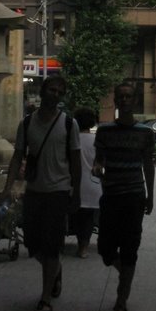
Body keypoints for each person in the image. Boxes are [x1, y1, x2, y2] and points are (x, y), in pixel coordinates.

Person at [1, 75, 81, 311]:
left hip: (58, 191)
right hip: (34, 190)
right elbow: (17, 156)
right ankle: (55, 270)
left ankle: (45, 297)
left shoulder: (68, 124)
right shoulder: (27, 123)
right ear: (43, 91)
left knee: (52, 246)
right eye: (51, 90)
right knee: (32, 244)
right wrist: (8, 187)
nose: (55, 95)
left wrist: (77, 192)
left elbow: (76, 160)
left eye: (59, 91)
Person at [93, 82, 155, 311]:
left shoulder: (145, 133)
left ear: (135, 100)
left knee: (130, 247)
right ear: (116, 101)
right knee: (105, 250)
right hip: (110, 195)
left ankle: (121, 300)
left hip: (133, 196)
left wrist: (151, 195)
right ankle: (126, 272)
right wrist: (97, 168)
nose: (126, 100)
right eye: (122, 96)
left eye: (129, 96)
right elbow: (99, 160)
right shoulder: (104, 131)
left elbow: (148, 165)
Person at [70, 107, 101, 259]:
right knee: (89, 218)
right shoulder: (97, 141)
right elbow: (100, 165)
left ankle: (78, 241)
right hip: (93, 185)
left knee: (76, 215)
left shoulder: (70, 140)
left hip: (73, 184)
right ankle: (83, 247)